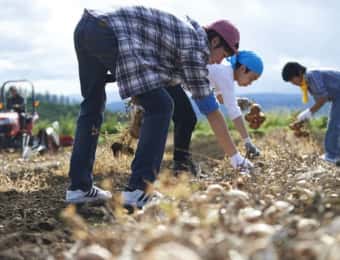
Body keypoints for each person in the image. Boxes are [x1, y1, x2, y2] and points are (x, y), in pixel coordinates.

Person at [66, 5, 250, 207]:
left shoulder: (187, 37)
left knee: (92, 104)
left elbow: (187, 85)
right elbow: (211, 112)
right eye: (223, 55)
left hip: (88, 25)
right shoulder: (196, 47)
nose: (218, 62)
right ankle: (139, 189)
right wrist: (236, 158)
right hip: (109, 31)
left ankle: (79, 188)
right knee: (161, 106)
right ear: (214, 41)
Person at [166, 51, 263, 176]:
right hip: (172, 77)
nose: (251, 82)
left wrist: (241, 102)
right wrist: (248, 142)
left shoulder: (221, 71)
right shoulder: (225, 74)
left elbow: (221, 99)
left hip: (177, 79)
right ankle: (180, 165)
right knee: (187, 119)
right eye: (252, 78)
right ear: (243, 68)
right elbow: (234, 112)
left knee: (187, 119)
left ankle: (180, 164)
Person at [282, 62, 340, 165]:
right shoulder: (306, 82)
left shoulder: (312, 77)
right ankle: (335, 154)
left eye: (292, 79)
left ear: (299, 73)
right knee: (334, 124)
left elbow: (322, 99)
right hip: (337, 97)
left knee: (333, 125)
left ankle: (332, 155)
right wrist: (308, 114)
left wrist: (309, 112)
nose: (293, 83)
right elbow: (320, 99)